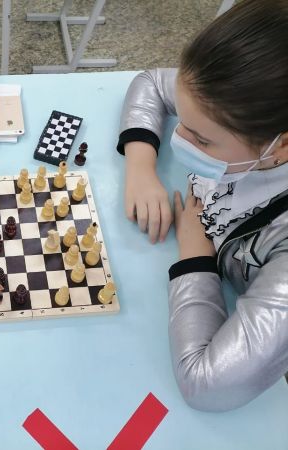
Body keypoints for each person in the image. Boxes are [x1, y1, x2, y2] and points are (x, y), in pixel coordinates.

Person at [117, 0, 288, 411]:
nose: (180, 140)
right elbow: (151, 83)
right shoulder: (231, 102)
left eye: (202, 140)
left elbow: (207, 384)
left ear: (281, 145)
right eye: (183, 123)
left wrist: (195, 255)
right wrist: (140, 166)